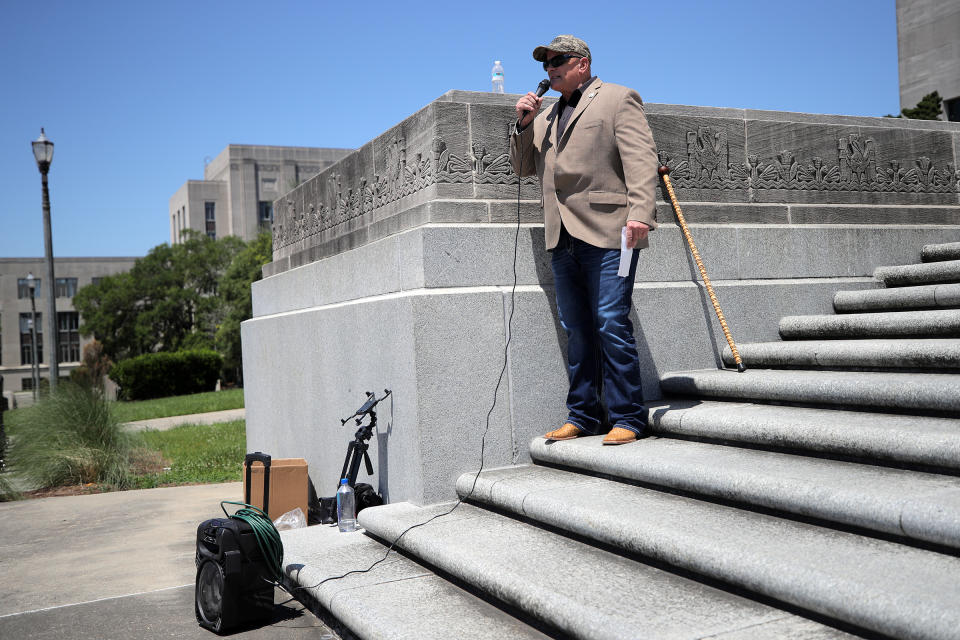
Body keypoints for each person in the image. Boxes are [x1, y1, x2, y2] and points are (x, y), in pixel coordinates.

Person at [509, 35, 658, 445]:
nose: (550, 68)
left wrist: (641, 214)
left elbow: (641, 158)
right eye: (545, 64)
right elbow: (522, 167)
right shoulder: (545, 115)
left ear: (583, 63)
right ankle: (584, 415)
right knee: (576, 327)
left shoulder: (617, 98)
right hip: (561, 236)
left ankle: (628, 416)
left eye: (558, 60)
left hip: (612, 231)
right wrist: (523, 123)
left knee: (611, 320)